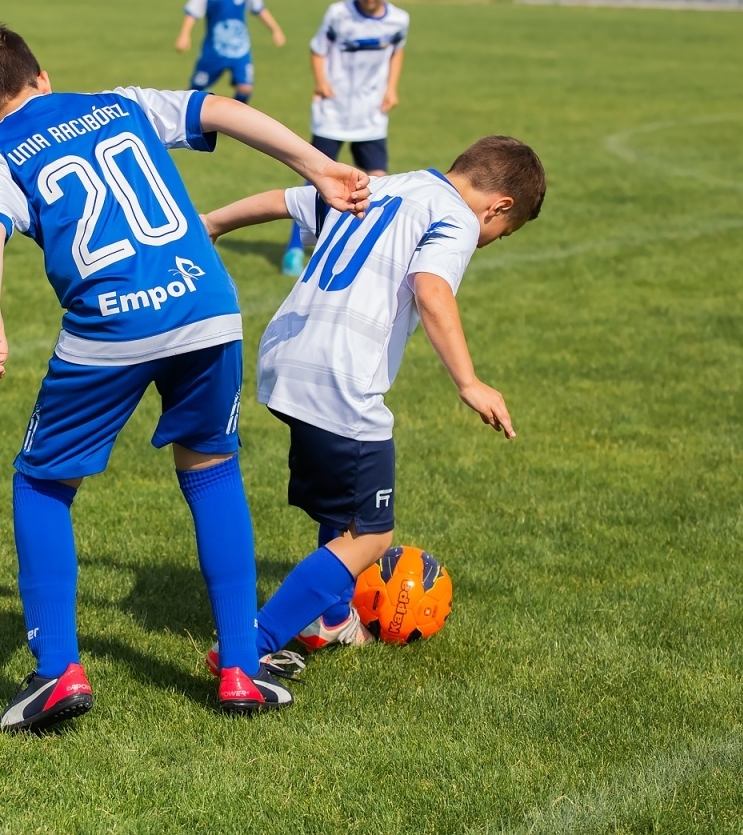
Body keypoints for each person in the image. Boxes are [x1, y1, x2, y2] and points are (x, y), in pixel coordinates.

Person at [0, 21, 370, 733]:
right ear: (42, 76)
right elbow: (218, 110)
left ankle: (57, 674)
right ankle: (241, 667)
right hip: (206, 304)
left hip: (111, 325)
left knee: (43, 483)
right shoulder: (118, 102)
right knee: (210, 469)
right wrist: (316, 165)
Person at [201, 136, 545, 665]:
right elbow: (431, 290)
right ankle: (250, 646)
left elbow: (284, 200)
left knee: (342, 511)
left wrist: (213, 223)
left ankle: (331, 617)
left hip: (287, 356)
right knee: (372, 535)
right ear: (498, 205)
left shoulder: (380, 186)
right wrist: (469, 382)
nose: (491, 239)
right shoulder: (454, 218)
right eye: (503, 231)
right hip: (343, 375)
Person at [280, 0, 410, 276]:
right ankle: (295, 249)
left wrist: (392, 88)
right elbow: (317, 49)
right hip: (332, 113)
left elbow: (397, 52)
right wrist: (321, 81)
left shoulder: (399, 20)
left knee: (378, 183)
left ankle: (364, 249)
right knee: (315, 181)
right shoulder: (338, 14)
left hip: (370, 116)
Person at [175, 0, 284, 103]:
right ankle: (184, 122)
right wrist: (184, 35)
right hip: (213, 49)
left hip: (240, 49)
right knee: (194, 91)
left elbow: (259, 9)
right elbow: (192, 12)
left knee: (245, 88)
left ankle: (233, 122)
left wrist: (276, 30)